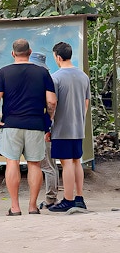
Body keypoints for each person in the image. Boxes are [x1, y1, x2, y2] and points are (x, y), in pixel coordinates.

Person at [0, 39, 57, 216]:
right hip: (35, 125)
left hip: (11, 124)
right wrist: (49, 117)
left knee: (12, 162)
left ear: (13, 53)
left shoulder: (3, 72)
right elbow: (51, 101)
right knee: (34, 164)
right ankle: (33, 207)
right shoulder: (42, 73)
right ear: (30, 52)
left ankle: (15, 207)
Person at [48, 42, 91, 212]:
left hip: (62, 127)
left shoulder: (55, 77)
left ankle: (68, 199)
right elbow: (86, 102)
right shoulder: (83, 76)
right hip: (77, 126)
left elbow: (53, 103)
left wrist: (50, 123)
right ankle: (79, 198)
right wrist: (80, 117)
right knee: (76, 161)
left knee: (66, 163)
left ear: (58, 57)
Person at [29, 52, 59, 210]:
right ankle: (52, 196)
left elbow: (51, 104)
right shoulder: (47, 79)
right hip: (49, 125)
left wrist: (47, 125)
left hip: (43, 127)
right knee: (51, 163)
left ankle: (50, 198)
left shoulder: (42, 81)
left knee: (46, 165)